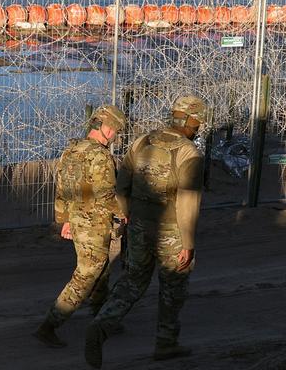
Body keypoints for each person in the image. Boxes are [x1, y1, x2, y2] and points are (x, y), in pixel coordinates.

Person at [84, 95, 208, 368]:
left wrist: (129, 215)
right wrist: (188, 243)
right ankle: (166, 343)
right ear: (192, 122)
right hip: (172, 232)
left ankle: (100, 327)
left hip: (139, 225)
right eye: (198, 122)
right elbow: (188, 202)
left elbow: (122, 185)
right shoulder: (190, 153)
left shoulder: (142, 142)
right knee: (173, 287)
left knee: (132, 282)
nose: (199, 128)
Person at [32, 104, 126, 348]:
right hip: (94, 224)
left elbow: (62, 189)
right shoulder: (100, 155)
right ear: (106, 128)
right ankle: (49, 325)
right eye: (115, 130)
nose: (116, 136)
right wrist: (125, 214)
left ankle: (101, 318)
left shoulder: (71, 150)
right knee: (87, 274)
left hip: (78, 221)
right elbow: (106, 195)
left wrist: (63, 221)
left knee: (102, 268)